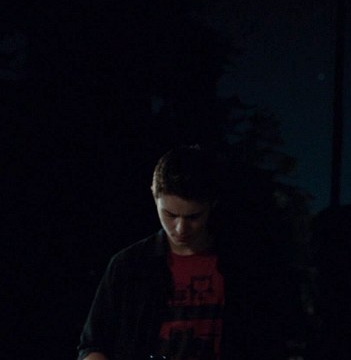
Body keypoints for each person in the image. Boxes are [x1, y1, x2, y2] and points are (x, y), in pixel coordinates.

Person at [77, 146, 289, 360]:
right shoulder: (129, 265)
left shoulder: (245, 265)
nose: (180, 228)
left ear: (212, 203)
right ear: (154, 196)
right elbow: (93, 345)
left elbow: (271, 340)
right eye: (170, 215)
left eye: (193, 217)